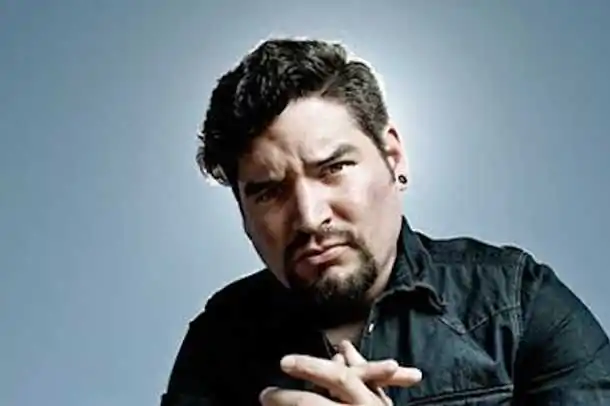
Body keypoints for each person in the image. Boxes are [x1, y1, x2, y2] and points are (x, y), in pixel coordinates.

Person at [160, 38, 610, 406]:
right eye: (269, 192)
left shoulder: (517, 302)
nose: (310, 217)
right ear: (242, 211)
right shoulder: (218, 343)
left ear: (392, 156)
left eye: (333, 169)